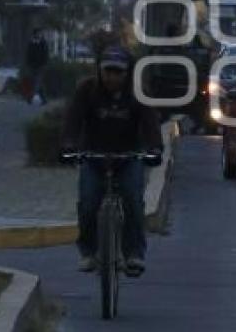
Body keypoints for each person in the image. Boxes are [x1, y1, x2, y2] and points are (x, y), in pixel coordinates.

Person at [62, 46, 163, 277]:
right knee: (88, 202)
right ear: (99, 71)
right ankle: (88, 252)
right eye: (107, 71)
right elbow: (72, 120)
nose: (112, 77)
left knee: (133, 201)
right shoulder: (86, 90)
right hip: (93, 156)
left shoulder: (139, 92)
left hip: (128, 156)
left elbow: (150, 123)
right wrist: (68, 145)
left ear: (127, 73)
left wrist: (155, 149)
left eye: (118, 72)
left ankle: (134, 254)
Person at [26, 29, 49, 104]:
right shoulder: (31, 43)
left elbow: (46, 54)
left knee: (37, 82)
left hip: (41, 66)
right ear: (35, 34)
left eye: (40, 33)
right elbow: (28, 54)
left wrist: (44, 63)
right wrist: (28, 63)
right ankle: (44, 99)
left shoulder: (43, 43)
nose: (40, 35)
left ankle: (30, 97)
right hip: (32, 66)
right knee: (37, 82)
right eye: (38, 33)